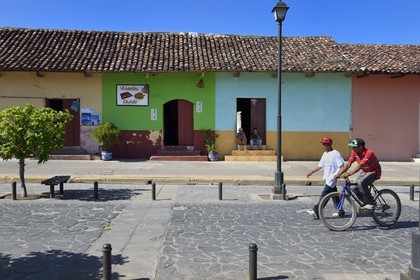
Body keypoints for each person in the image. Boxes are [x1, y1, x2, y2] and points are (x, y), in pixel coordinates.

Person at [334, 138, 381, 210]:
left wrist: (349, 174)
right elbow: (348, 164)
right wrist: (339, 174)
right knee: (353, 188)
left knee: (361, 182)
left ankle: (371, 203)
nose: (352, 148)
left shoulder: (369, 153)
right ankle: (365, 203)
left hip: (374, 172)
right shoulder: (354, 152)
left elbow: (360, 165)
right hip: (365, 171)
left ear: (360, 147)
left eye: (354, 147)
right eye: (352, 146)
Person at [306, 137, 345, 219]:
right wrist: (311, 172)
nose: (323, 146)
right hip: (327, 178)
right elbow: (320, 166)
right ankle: (340, 210)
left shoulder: (335, 153)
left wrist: (337, 174)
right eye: (322, 144)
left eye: (325, 144)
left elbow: (342, 166)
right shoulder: (325, 154)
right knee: (334, 196)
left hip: (332, 178)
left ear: (330, 144)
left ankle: (316, 210)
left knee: (324, 195)